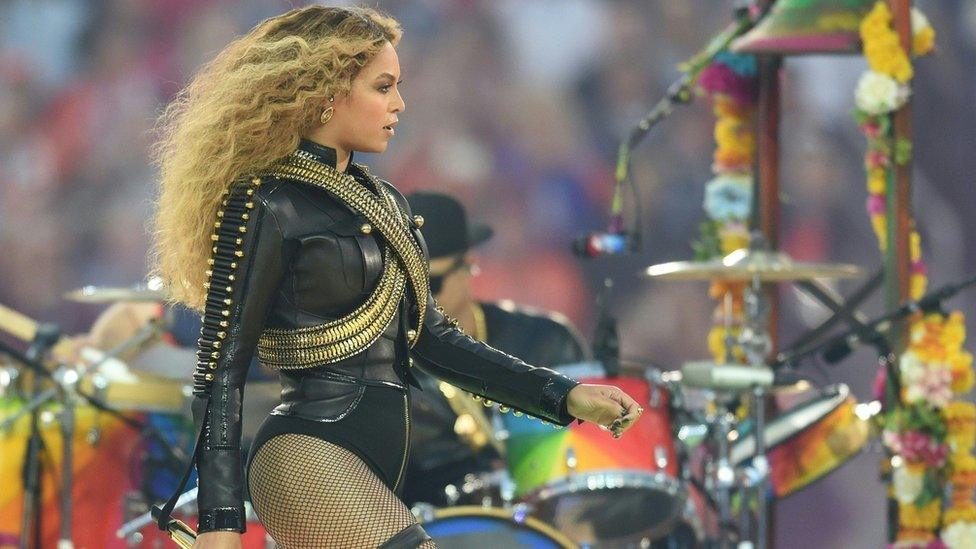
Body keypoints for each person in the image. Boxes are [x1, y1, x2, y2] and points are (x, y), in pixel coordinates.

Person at [151, 7, 643, 548]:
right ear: (326, 91)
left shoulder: (386, 204)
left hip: (374, 464)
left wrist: (566, 397)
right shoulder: (266, 203)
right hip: (303, 456)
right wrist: (221, 521)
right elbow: (221, 371)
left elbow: (435, 341)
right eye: (383, 87)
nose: (399, 104)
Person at [402, 192, 591, 507]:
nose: (413, 294)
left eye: (430, 282)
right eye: (403, 281)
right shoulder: (380, 364)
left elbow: (589, 460)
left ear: (469, 266)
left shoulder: (546, 341)